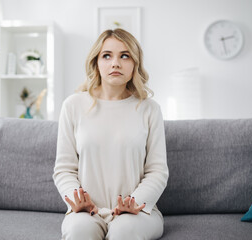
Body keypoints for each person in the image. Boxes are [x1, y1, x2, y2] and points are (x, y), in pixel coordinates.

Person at [53, 28, 169, 240]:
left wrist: (134, 203)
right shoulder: (73, 105)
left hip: (137, 213)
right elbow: (64, 169)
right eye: (107, 55)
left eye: (125, 56)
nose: (115, 63)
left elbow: (157, 171)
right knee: (79, 231)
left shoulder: (149, 109)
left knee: (123, 231)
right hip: (85, 213)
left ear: (135, 63)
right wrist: (76, 199)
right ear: (96, 62)